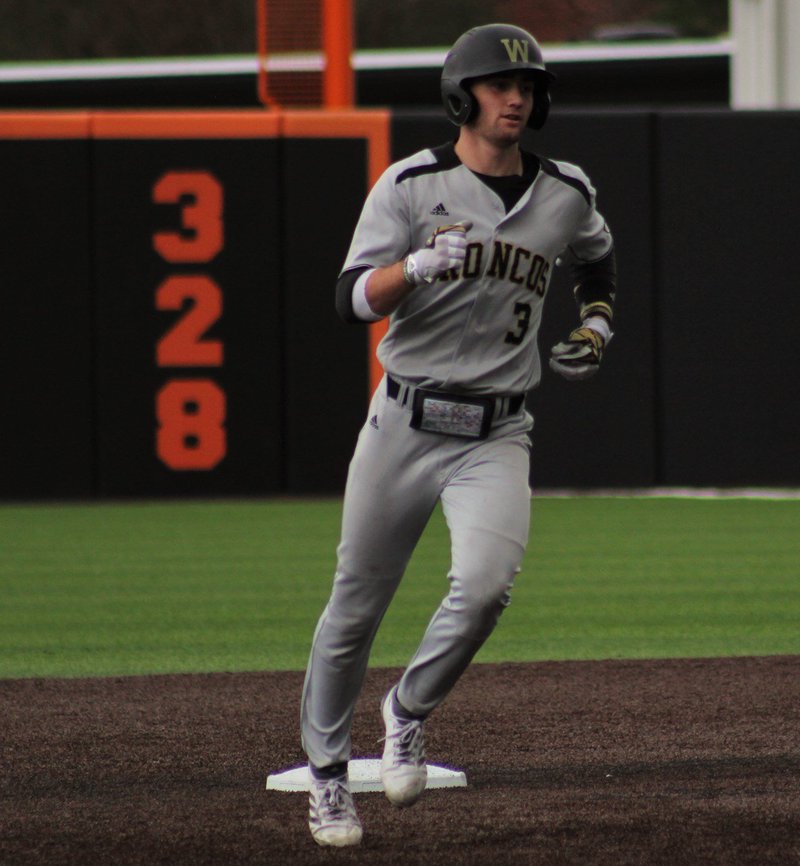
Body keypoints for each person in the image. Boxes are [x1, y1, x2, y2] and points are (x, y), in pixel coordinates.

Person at [299, 23, 617, 847]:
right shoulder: (410, 185)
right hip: (404, 419)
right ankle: (329, 779)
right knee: (353, 608)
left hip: (497, 429)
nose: (517, 97)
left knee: (484, 588)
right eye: (499, 84)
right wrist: (413, 270)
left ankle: (406, 710)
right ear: (461, 95)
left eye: (529, 87)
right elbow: (348, 301)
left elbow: (597, 261)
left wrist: (598, 321)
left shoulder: (565, 191)